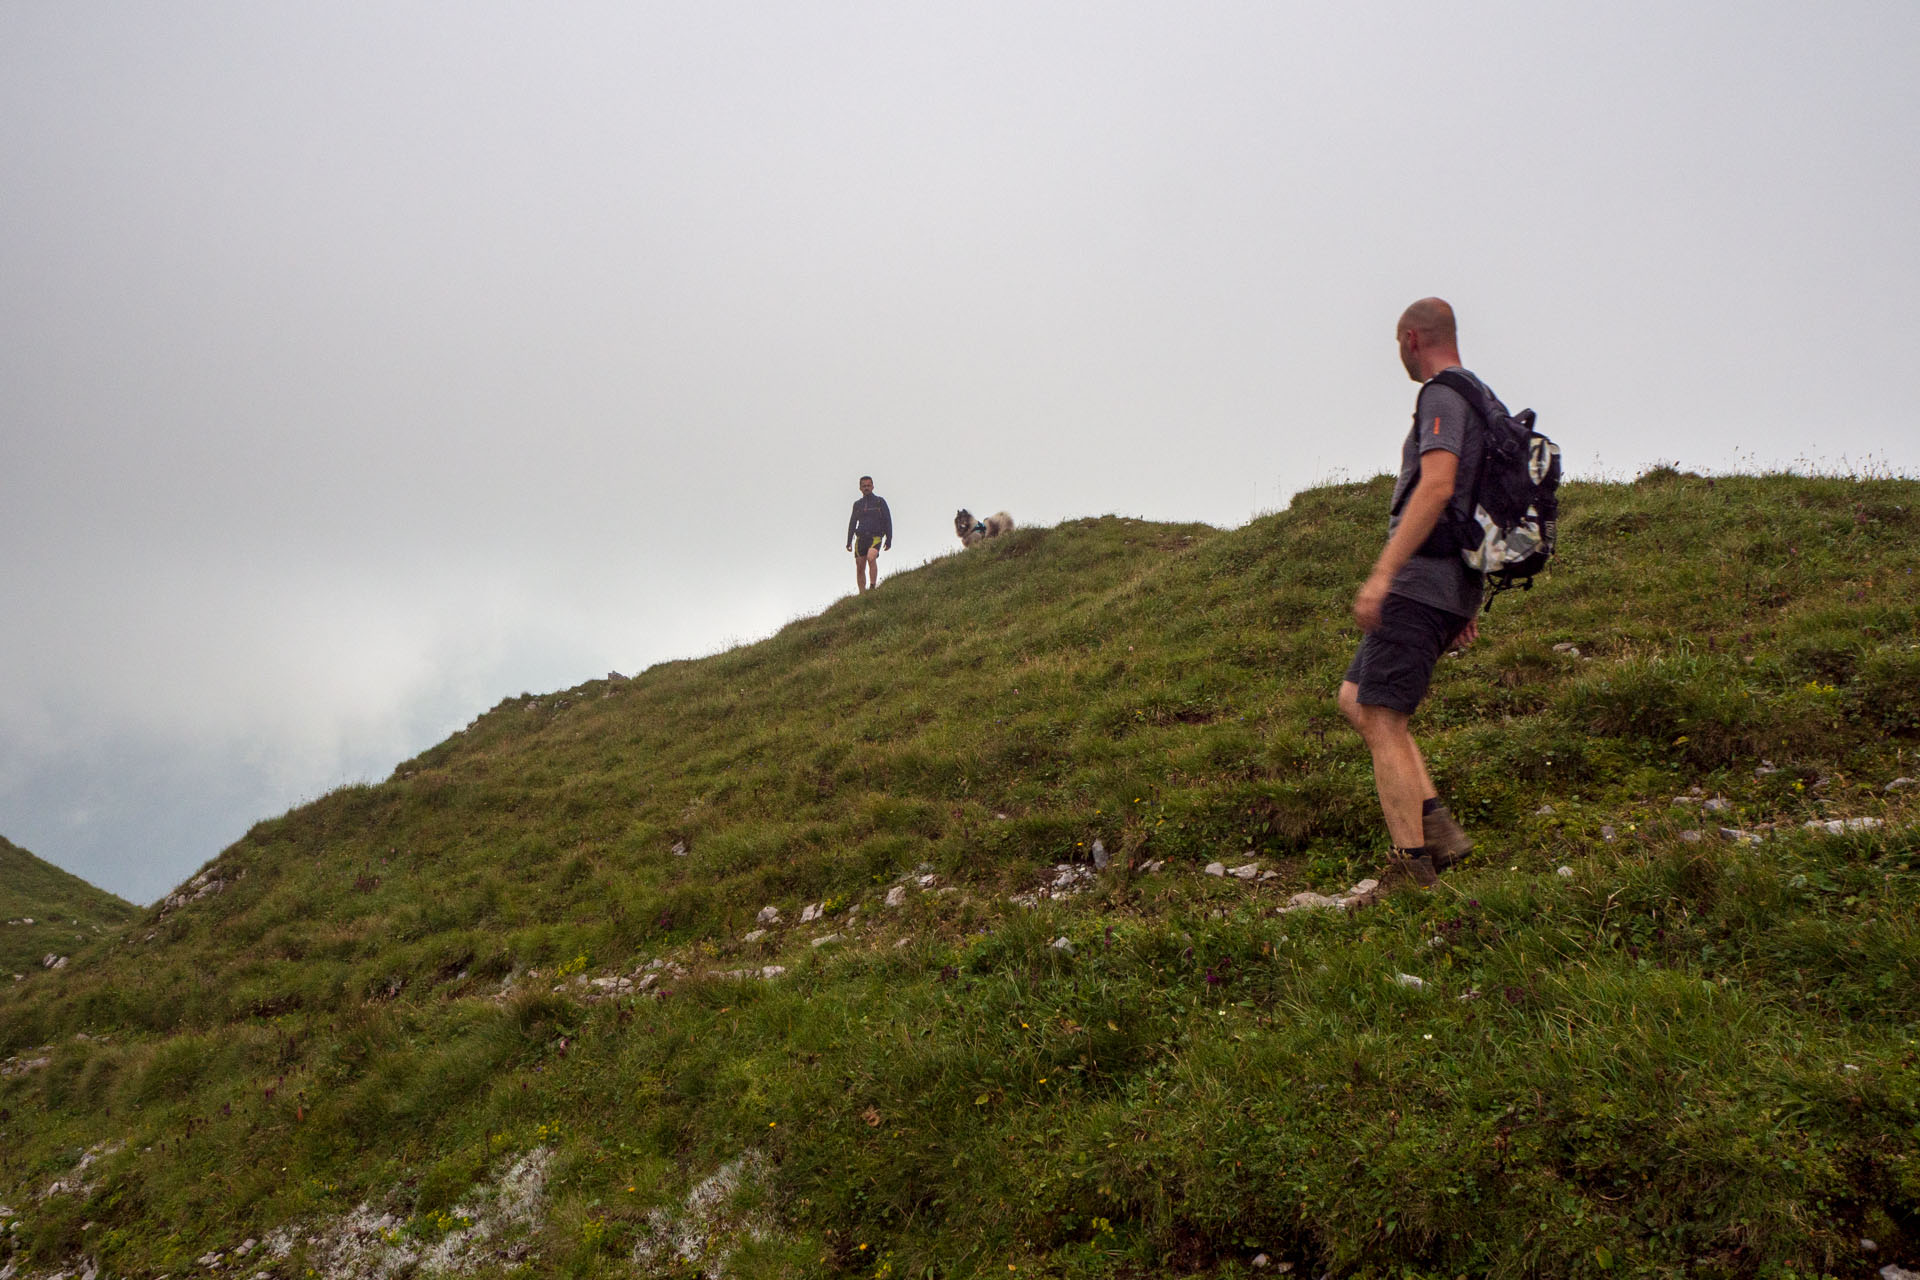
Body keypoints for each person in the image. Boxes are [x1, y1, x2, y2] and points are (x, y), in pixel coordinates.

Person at [1338, 297, 1498, 891]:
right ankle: (1437, 826)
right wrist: (1468, 598)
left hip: (1420, 583)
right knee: (1356, 698)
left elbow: (1437, 488)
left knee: (1382, 714)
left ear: (1411, 338)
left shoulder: (1441, 396)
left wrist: (1383, 575)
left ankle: (1410, 868)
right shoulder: (1483, 401)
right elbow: (1484, 508)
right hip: (1449, 584)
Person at [846, 475, 892, 593]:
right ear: (860, 488)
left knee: (871, 558)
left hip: (875, 536)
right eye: (864, 486)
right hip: (860, 538)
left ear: (873, 487)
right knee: (860, 567)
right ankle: (862, 593)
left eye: (868, 485)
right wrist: (849, 541)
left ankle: (872, 586)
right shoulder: (857, 504)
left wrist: (889, 539)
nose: (866, 488)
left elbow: (888, 520)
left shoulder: (879, 501)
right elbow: (852, 522)